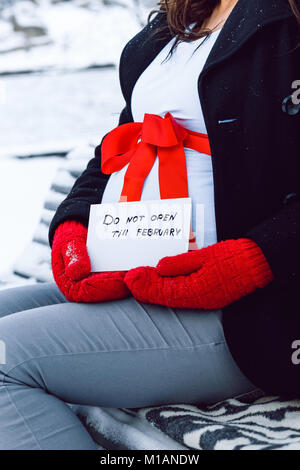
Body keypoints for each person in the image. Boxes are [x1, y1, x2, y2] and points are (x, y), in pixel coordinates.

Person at [0, 0, 299, 450]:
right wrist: (73, 226)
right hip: (139, 279)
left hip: (250, 313)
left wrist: (255, 259)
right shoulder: (181, 20)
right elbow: (119, 145)